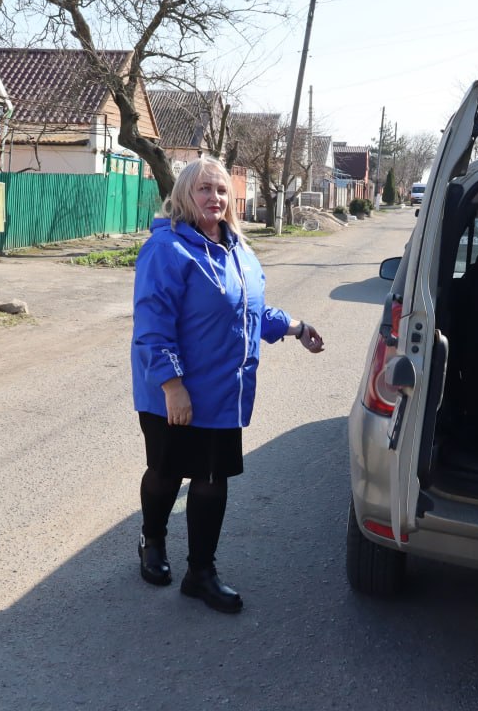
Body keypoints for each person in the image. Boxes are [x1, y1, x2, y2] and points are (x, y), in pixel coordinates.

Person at [130, 157, 324, 613]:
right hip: (172, 391)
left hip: (225, 389)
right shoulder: (167, 250)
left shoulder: (239, 249)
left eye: (220, 190)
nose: (214, 198)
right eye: (203, 189)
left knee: (212, 479)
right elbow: (152, 326)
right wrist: (172, 385)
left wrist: (296, 328)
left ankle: (201, 573)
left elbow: (251, 311)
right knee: (166, 470)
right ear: (183, 195)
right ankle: (152, 541)